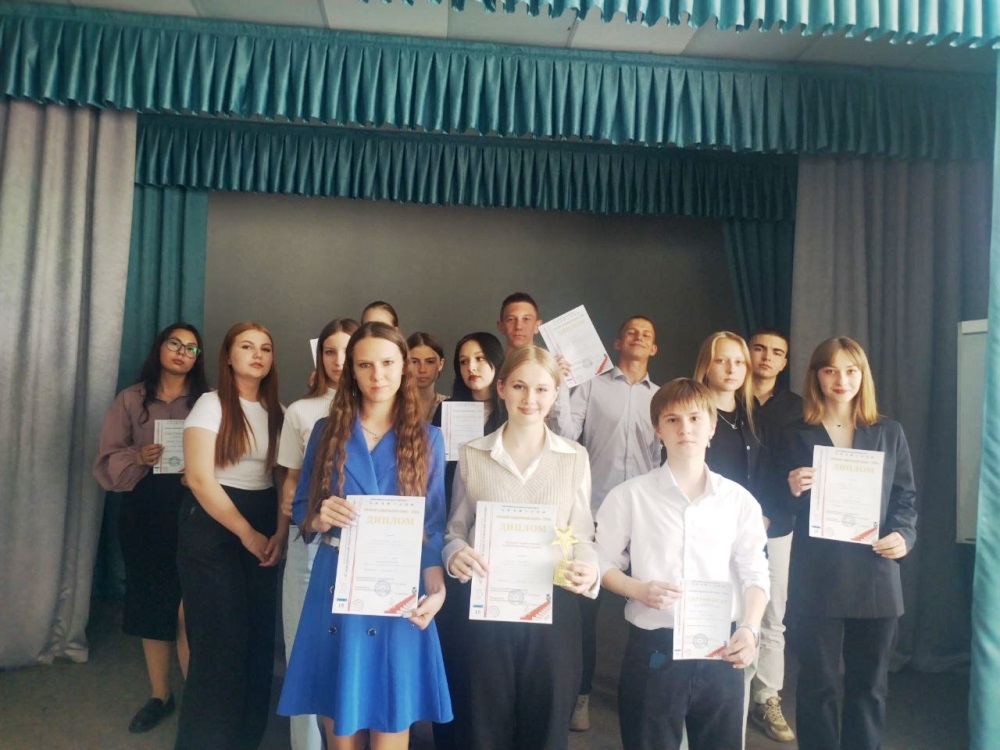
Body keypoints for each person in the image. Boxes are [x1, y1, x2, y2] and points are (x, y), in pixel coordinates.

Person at [278, 322, 452, 750]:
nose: (378, 375)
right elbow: (301, 509)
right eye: (365, 365)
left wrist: (437, 588)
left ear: (404, 367)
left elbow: (431, 527)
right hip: (337, 582)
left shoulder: (428, 438)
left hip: (399, 588)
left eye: (388, 363)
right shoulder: (326, 431)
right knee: (341, 729)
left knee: (391, 721)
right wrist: (319, 516)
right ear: (350, 371)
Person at [596, 378, 770, 750]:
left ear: (712, 426)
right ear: (658, 430)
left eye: (695, 418)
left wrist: (751, 629)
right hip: (654, 649)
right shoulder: (630, 496)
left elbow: (755, 571)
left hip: (722, 650)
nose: (684, 429)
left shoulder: (738, 500)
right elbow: (601, 562)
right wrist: (636, 589)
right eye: (672, 420)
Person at [443, 345, 599, 750]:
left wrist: (588, 569)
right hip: (486, 612)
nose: (531, 399)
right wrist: (455, 553)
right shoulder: (473, 453)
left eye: (542, 389)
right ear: (502, 389)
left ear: (556, 393)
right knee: (482, 727)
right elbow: (454, 530)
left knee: (545, 729)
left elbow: (582, 536)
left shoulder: (575, 458)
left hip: (553, 610)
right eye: (519, 386)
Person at [779, 337, 916, 750]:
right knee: (817, 685)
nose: (841, 380)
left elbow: (905, 498)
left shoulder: (888, 432)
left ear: (863, 376)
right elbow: (774, 506)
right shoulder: (795, 433)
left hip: (875, 575)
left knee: (869, 687)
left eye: (851, 371)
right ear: (816, 376)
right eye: (830, 370)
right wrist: (791, 488)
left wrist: (903, 536)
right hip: (818, 576)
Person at [93, 323, 209, 734]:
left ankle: (198, 699)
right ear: (160, 347)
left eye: (191, 348)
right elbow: (106, 461)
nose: (182, 352)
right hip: (145, 511)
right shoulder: (131, 399)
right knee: (151, 600)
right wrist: (138, 456)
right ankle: (161, 694)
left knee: (191, 605)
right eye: (175, 343)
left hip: (195, 509)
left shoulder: (208, 401)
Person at [175, 322, 285, 750]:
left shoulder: (278, 411)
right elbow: (199, 479)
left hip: (263, 520)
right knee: (220, 647)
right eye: (247, 346)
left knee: (257, 644)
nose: (257, 354)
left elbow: (282, 480)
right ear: (228, 356)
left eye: (266, 348)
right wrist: (248, 534)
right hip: (215, 525)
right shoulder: (211, 404)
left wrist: (277, 532)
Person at [551, 315, 662, 732]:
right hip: (597, 514)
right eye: (631, 330)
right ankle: (582, 694)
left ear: (654, 349)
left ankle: (647, 692)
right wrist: (560, 385)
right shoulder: (592, 386)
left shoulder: (662, 397)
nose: (638, 336)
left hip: (647, 518)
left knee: (648, 606)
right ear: (617, 342)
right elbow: (565, 432)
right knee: (586, 610)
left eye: (646, 334)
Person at [277, 317, 359, 750]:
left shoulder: (380, 409)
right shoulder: (302, 411)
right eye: (329, 351)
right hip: (310, 544)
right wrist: (292, 520)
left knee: (347, 660)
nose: (338, 360)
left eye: (348, 351)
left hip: (361, 553)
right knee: (304, 656)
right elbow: (292, 481)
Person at [746, 328, 803, 743]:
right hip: (727, 524)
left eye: (777, 352)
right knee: (730, 609)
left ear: (784, 362)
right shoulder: (728, 398)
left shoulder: (799, 408)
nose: (767, 357)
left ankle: (767, 695)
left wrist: (771, 513)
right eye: (760, 348)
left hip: (778, 525)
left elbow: (800, 469)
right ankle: (729, 692)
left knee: (772, 614)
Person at [407, 331, 448, 421]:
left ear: (440, 364)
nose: (422, 369)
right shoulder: (391, 406)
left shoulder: (450, 406)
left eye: (430, 362)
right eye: (414, 362)